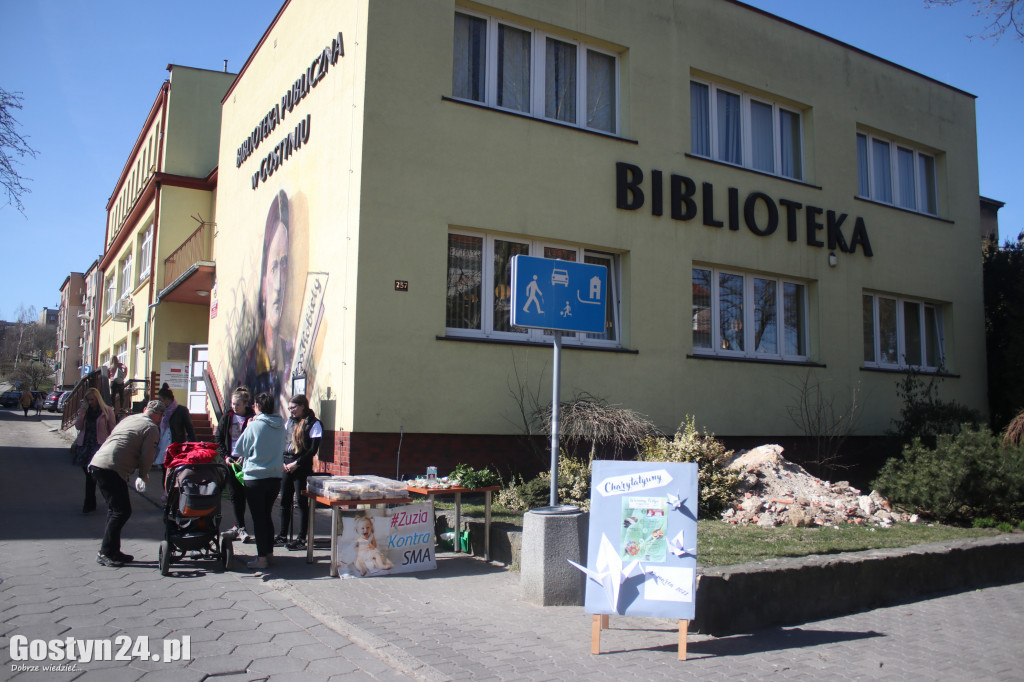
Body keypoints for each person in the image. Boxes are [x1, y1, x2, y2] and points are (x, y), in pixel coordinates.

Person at [88, 400, 165, 567]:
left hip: (100, 463)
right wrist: (143, 476)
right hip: (110, 468)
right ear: (160, 417)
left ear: (145, 410)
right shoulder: (151, 428)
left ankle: (113, 550)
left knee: (116, 510)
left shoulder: (130, 419)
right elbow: (147, 455)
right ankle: (106, 552)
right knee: (121, 511)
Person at [240, 190, 294, 411]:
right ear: (264, 284)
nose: (280, 285)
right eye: (274, 267)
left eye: (284, 265)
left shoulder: (292, 355)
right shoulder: (248, 365)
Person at [233, 391, 286, 570]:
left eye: (255, 405)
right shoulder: (281, 425)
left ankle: (261, 558)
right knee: (267, 516)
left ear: (259, 406)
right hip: (275, 477)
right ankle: (269, 554)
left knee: (258, 518)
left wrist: (249, 427)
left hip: (255, 477)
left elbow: (239, 448)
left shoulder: (255, 425)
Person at [276, 394, 322, 551]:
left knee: (301, 503)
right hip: (286, 464)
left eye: (294, 408)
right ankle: (282, 534)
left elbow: (312, 450)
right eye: (289, 408)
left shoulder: (314, 424)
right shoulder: (289, 422)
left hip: (301, 466)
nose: (291, 411)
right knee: (284, 501)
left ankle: (302, 537)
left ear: (303, 406)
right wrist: (283, 461)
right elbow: (283, 441)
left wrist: (297, 463)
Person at [216, 386, 255, 543]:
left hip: (247, 462)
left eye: (237, 404)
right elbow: (218, 438)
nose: (234, 407)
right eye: (232, 404)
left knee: (246, 495)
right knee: (235, 495)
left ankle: (238, 526)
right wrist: (225, 456)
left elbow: (255, 441)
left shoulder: (252, 419)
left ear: (245, 404)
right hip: (231, 462)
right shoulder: (227, 417)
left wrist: (246, 456)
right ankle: (241, 527)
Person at [73, 388, 116, 514]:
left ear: (98, 399)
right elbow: (78, 426)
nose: (90, 402)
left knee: (99, 476)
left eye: (92, 399)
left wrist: (112, 445)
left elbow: (112, 428)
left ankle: (105, 502)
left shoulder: (107, 411)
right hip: (85, 446)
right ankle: (89, 503)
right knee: (89, 476)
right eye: (88, 400)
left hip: (99, 446)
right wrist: (82, 412)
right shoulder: (85, 411)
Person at [155, 384, 196, 496]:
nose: (160, 402)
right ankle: (167, 493)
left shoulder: (181, 410)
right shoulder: (161, 412)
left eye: (161, 399)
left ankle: (175, 494)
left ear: (167, 399)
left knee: (176, 471)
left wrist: (193, 444)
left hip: (176, 445)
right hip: (164, 446)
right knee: (165, 472)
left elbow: (189, 428)